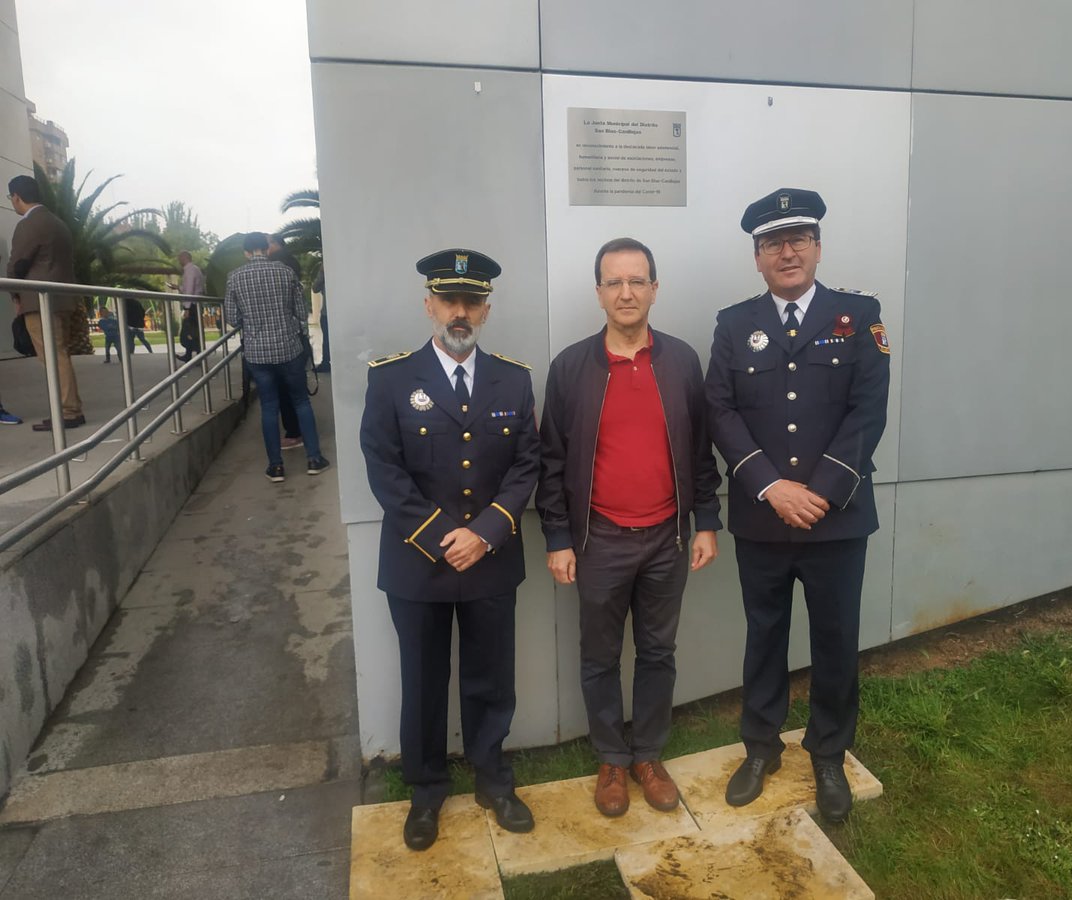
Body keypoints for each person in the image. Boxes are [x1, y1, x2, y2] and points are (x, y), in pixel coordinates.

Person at [705, 188, 890, 823]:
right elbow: (720, 411)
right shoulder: (733, 324)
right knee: (765, 634)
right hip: (763, 516)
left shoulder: (857, 315)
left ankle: (830, 752)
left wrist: (822, 491)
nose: (786, 253)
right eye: (771, 244)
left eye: (797, 240)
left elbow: (868, 410)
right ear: (756, 257)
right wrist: (768, 485)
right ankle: (761, 747)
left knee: (836, 639)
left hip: (836, 518)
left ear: (817, 246)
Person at [360, 248, 539, 851]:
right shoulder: (389, 379)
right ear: (429, 304)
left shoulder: (513, 378)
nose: (459, 312)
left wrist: (485, 531)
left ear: (486, 310)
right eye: (449, 300)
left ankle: (493, 778)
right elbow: (384, 470)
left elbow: (526, 465)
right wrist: (445, 537)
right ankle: (427, 791)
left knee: (491, 678)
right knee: (424, 680)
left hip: (490, 558)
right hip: (419, 565)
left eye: (472, 301)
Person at [536, 238, 722, 818]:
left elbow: (701, 451)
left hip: (667, 537)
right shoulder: (571, 367)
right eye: (614, 282)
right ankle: (612, 761)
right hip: (600, 541)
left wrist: (706, 523)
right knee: (598, 657)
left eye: (637, 281)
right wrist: (559, 538)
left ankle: (648, 755)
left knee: (657, 652)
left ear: (654, 290)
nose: (626, 292)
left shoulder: (682, 361)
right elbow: (551, 462)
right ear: (598, 293)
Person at [223, 232, 330, 481]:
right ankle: (314, 459)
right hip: (289, 349)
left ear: (246, 252)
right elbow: (301, 310)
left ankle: (276, 466)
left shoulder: (235, 278)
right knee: (301, 402)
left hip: (258, 354)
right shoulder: (285, 272)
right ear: (267, 248)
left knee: (269, 407)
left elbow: (232, 318)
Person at [5, 174, 86, 431]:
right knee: (59, 354)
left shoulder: (30, 224)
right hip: (61, 299)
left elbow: (17, 264)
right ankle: (70, 407)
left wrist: (15, 295)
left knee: (52, 357)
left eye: (11, 198)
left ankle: (69, 411)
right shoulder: (57, 223)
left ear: (17, 197)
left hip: (39, 301)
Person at [267, 233, 305, 450]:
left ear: (275, 244)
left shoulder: (278, 264)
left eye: (267, 243)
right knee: (298, 394)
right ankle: (299, 433)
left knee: (283, 393)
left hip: (278, 339)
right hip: (292, 335)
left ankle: (293, 432)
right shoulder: (291, 262)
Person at [176, 250, 203, 362]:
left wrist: (186, 308)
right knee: (192, 331)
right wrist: (179, 287)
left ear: (184, 258)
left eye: (180, 258)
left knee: (190, 330)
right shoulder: (195, 269)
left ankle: (195, 353)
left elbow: (190, 289)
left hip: (192, 304)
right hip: (195, 303)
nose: (179, 261)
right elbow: (190, 288)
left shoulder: (190, 270)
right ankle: (192, 354)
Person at [313, 263, 330, 373]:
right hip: (326, 313)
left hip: (330, 313)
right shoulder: (325, 272)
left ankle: (326, 363)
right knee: (327, 340)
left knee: (328, 340)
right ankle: (325, 363)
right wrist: (322, 272)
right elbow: (315, 288)